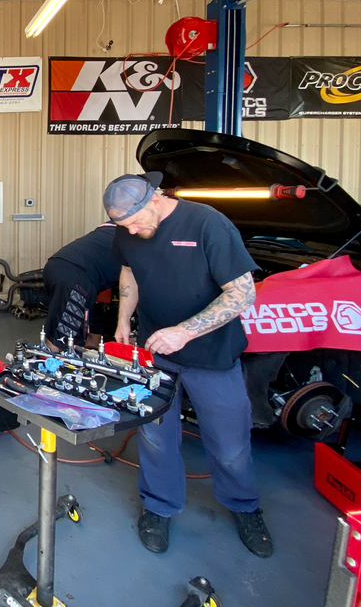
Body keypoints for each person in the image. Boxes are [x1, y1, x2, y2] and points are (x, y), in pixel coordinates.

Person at [103, 172, 272, 558]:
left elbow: (242, 293)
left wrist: (184, 331)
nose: (130, 229)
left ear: (156, 199)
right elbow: (128, 270)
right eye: (122, 225)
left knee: (229, 443)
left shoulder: (207, 223)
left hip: (211, 356)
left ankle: (245, 507)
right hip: (155, 352)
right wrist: (123, 318)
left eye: (134, 220)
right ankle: (158, 506)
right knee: (155, 437)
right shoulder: (128, 231)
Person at [43, 222, 119, 350]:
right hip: (75, 277)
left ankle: (91, 358)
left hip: (60, 266)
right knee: (62, 338)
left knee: (89, 322)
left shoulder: (110, 228)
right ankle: (50, 365)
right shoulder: (134, 236)